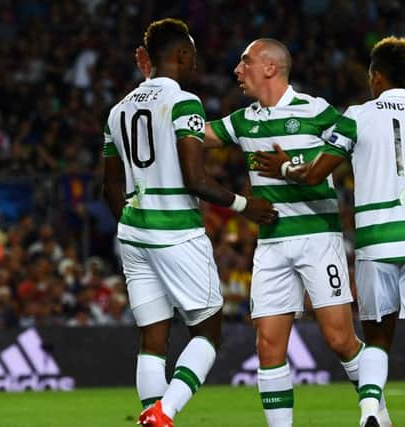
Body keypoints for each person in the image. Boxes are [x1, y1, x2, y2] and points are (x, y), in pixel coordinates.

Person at [136, 38, 386, 426]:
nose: (237, 70)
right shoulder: (243, 120)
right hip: (271, 243)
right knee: (268, 347)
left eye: (245, 62)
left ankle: (375, 409)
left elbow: (359, 144)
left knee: (340, 339)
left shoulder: (315, 111)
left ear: (270, 67)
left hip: (318, 238)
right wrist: (154, 88)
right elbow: (192, 132)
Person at [256, 36, 405, 427]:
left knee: (378, 339)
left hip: (377, 240)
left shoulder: (357, 116)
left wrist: (282, 167)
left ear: (376, 76)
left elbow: (314, 174)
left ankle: (368, 411)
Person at [102, 19, 276, 427]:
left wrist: (134, 228)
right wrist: (243, 204)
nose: (196, 62)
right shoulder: (184, 102)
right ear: (179, 55)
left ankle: (150, 415)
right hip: (176, 233)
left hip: (133, 233)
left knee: (153, 339)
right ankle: (164, 413)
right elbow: (194, 180)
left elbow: (109, 187)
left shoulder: (118, 109)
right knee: (209, 331)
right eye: (193, 54)